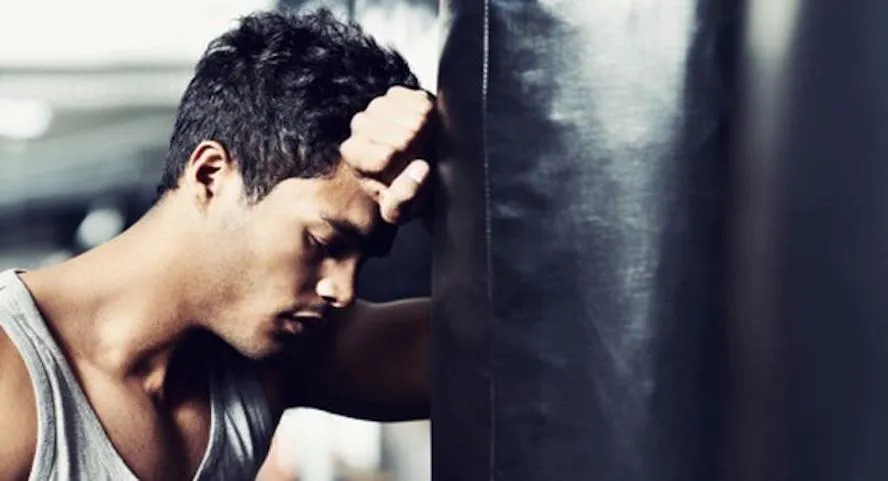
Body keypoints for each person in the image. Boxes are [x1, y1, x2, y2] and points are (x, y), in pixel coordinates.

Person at [0, 9, 434, 481]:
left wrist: (449, 174)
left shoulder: (273, 358)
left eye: (361, 258)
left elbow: (500, 347)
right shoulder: (13, 377)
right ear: (210, 175)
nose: (343, 289)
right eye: (322, 241)